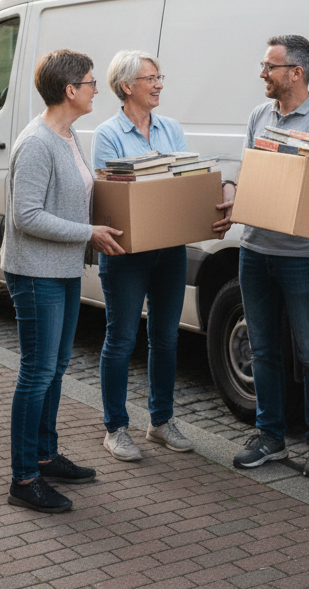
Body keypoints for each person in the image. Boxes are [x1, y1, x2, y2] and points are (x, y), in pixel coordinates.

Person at [1, 49, 125, 514]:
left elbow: (73, 199)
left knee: (54, 369)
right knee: (36, 373)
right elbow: (27, 215)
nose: (97, 89)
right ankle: (23, 478)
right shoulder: (37, 142)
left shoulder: (69, 134)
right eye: (91, 83)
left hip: (64, 267)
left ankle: (45, 455)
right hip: (35, 272)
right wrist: (87, 233)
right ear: (70, 90)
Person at [214, 35, 309, 480]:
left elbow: (306, 192)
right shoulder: (259, 115)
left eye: (270, 67)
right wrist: (234, 195)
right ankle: (269, 436)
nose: (262, 74)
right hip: (255, 250)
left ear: (295, 73)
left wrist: (266, 188)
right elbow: (251, 173)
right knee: (262, 349)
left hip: (302, 256)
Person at [91, 51, 195, 462]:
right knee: (121, 339)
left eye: (159, 77)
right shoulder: (108, 134)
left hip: (170, 248)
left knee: (166, 339)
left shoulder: (171, 129)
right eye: (151, 78)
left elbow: (182, 184)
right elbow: (114, 195)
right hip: (126, 252)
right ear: (127, 86)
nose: (159, 85)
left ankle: (160, 421)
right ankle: (116, 428)